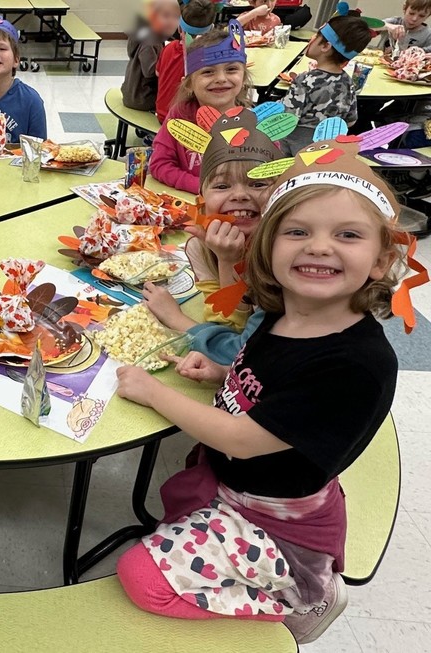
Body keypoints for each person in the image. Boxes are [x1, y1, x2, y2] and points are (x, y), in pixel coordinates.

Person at [114, 138, 424, 646]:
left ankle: (303, 598)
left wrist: (153, 391)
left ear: (380, 259)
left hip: (278, 523)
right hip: (239, 483)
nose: (318, 246)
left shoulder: (355, 365)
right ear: (269, 246)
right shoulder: (282, 311)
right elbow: (272, 381)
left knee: (140, 578)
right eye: (297, 231)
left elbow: (241, 439)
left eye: (347, 234)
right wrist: (224, 372)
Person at [142, 104, 288, 335]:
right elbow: (228, 327)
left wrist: (174, 318)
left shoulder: (287, 247)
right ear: (202, 198)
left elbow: (242, 342)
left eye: (258, 183)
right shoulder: (201, 247)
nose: (239, 195)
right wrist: (226, 260)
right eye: (221, 186)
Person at [150, 22, 254, 193]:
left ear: (243, 79)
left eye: (231, 69)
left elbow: (267, 174)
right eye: (208, 72)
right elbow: (159, 164)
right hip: (191, 201)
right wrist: (202, 187)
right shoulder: (180, 115)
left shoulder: (254, 122)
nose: (221, 78)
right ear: (189, 84)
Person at [280, 15, 370, 155]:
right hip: (330, 149)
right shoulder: (347, 82)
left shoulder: (304, 80)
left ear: (326, 46)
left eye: (317, 36)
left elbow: (288, 118)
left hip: (297, 150)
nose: (312, 38)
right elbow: (351, 121)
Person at [155, 0, 218, 122]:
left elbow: (157, 73)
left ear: (179, 28)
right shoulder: (207, 57)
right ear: (211, 30)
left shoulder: (168, 48)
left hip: (162, 114)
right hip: (185, 121)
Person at [121, 0, 181, 112]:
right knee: (176, 99)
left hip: (135, 93)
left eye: (175, 17)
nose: (172, 22)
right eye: (166, 16)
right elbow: (149, 72)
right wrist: (167, 66)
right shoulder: (149, 42)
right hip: (142, 98)